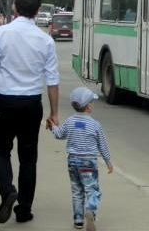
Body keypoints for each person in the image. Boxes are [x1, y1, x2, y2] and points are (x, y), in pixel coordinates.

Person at [0, 0, 60, 224]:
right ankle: (24, 210)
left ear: (15, 9)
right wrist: (54, 113)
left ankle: (8, 191)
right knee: (28, 157)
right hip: (31, 104)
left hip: (5, 101)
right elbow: (52, 81)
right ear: (38, 11)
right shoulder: (46, 40)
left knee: (0, 150)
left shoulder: (1, 33)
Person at [46, 86, 113, 231]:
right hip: (88, 162)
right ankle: (90, 210)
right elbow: (103, 145)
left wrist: (52, 126)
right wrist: (108, 162)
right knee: (92, 190)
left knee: (77, 191)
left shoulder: (70, 121)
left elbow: (59, 135)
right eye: (92, 102)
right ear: (88, 106)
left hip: (72, 162)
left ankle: (78, 220)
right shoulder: (95, 125)